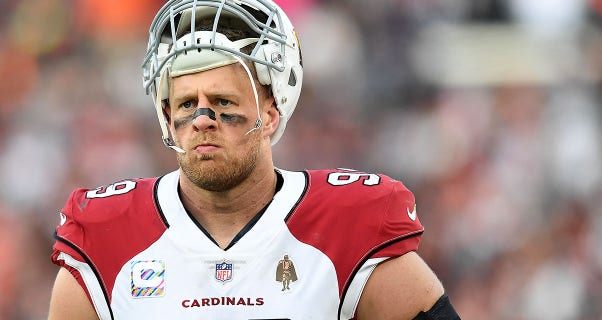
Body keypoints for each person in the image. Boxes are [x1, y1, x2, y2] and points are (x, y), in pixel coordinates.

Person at [47, 1, 460, 319]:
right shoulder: (105, 236)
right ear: (168, 118)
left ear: (271, 112)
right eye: (188, 103)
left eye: (223, 102)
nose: (203, 120)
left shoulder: (346, 225)